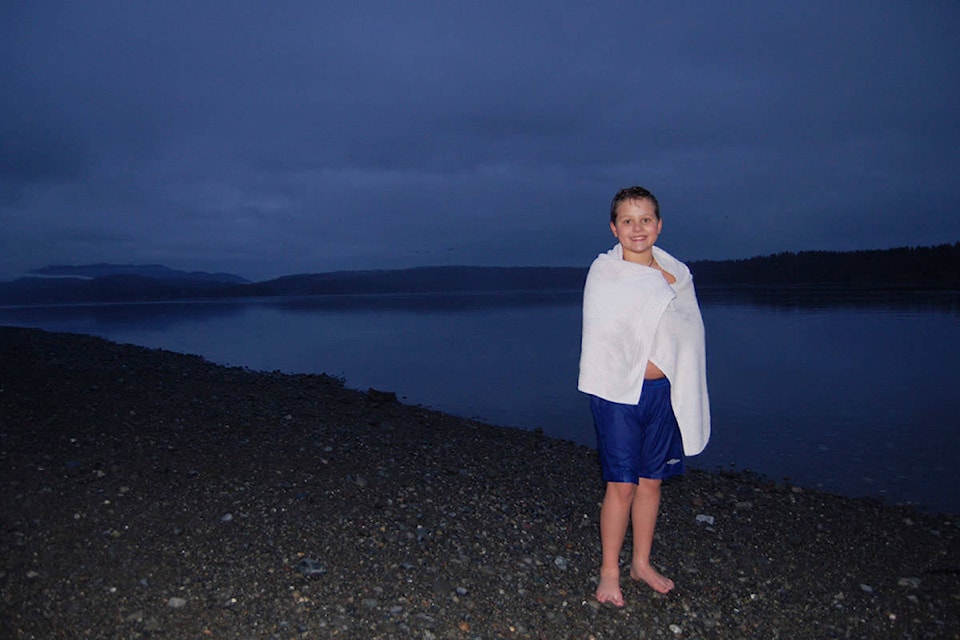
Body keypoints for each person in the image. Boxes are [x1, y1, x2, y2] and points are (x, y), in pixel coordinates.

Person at [578, 186, 710, 607]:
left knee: (651, 482)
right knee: (622, 485)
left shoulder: (677, 276)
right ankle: (609, 571)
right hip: (618, 393)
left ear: (659, 225)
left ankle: (641, 562)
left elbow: (688, 335)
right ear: (614, 228)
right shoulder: (605, 275)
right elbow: (605, 337)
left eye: (646, 219)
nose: (638, 228)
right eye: (628, 221)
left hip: (662, 392)